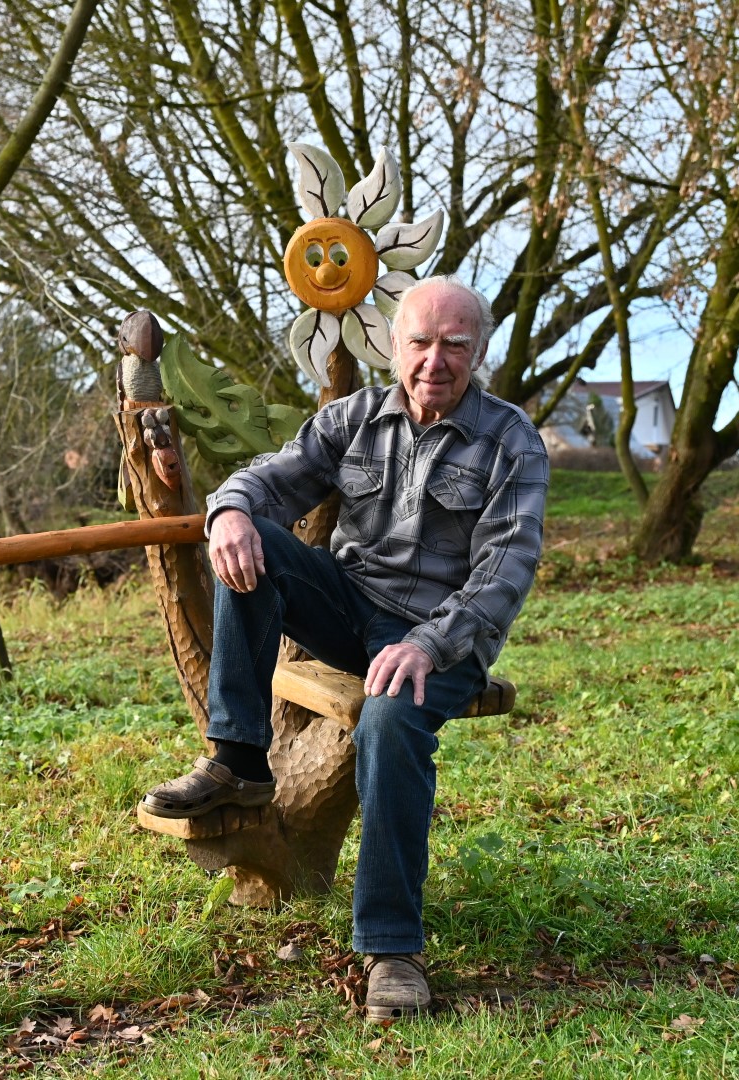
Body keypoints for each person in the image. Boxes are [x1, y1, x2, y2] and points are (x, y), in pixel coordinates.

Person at [141, 275, 549, 1021]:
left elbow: (505, 569)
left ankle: (392, 950)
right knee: (250, 540)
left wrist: (429, 643)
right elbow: (267, 480)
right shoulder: (353, 417)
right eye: (419, 342)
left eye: (454, 345)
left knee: (387, 720)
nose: (434, 361)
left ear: (479, 352)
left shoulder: (510, 440)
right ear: (393, 345)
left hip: (440, 634)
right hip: (349, 604)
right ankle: (238, 762)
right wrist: (229, 512)